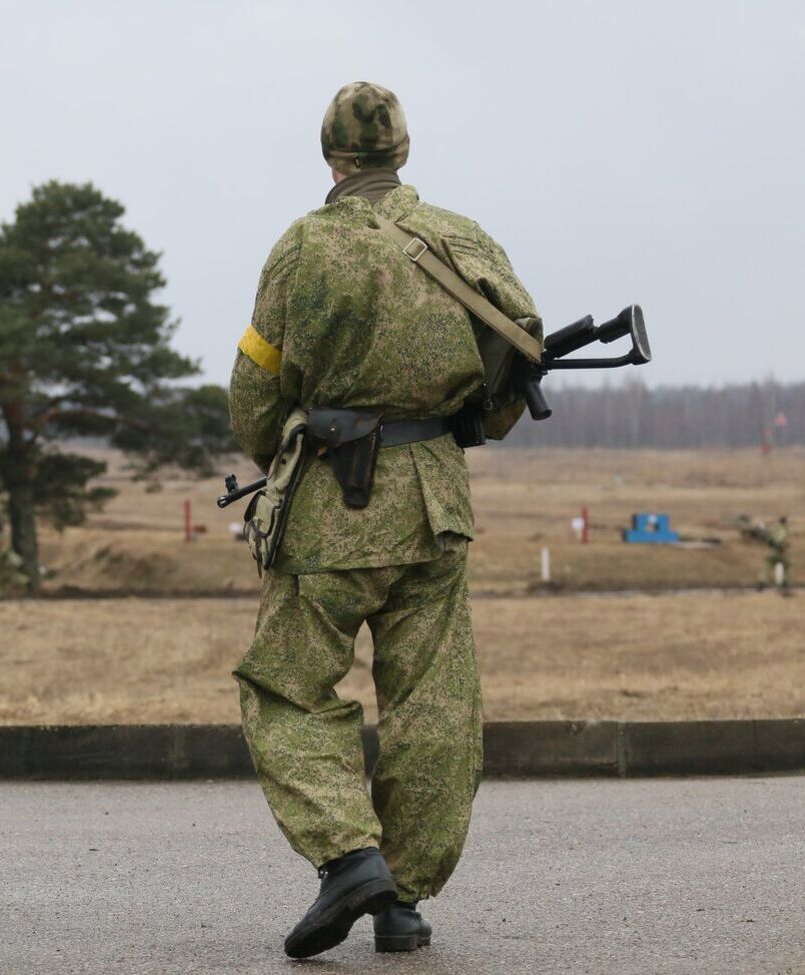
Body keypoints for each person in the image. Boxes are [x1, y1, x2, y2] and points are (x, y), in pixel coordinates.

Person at [229, 82, 541, 958]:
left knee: (284, 685)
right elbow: (521, 358)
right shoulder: (463, 237)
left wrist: (272, 453)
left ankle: (351, 855)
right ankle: (402, 893)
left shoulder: (302, 248)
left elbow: (258, 386)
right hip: (435, 502)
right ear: (401, 152)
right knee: (433, 700)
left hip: (331, 501)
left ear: (332, 158)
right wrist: (455, 430)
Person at [740, 515, 792, 592]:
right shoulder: (784, 529)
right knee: (786, 566)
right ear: (785, 522)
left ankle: (761, 583)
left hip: (771, 551)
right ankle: (785, 584)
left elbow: (764, 533)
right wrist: (780, 544)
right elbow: (780, 539)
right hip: (781, 551)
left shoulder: (773, 528)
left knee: (766, 567)